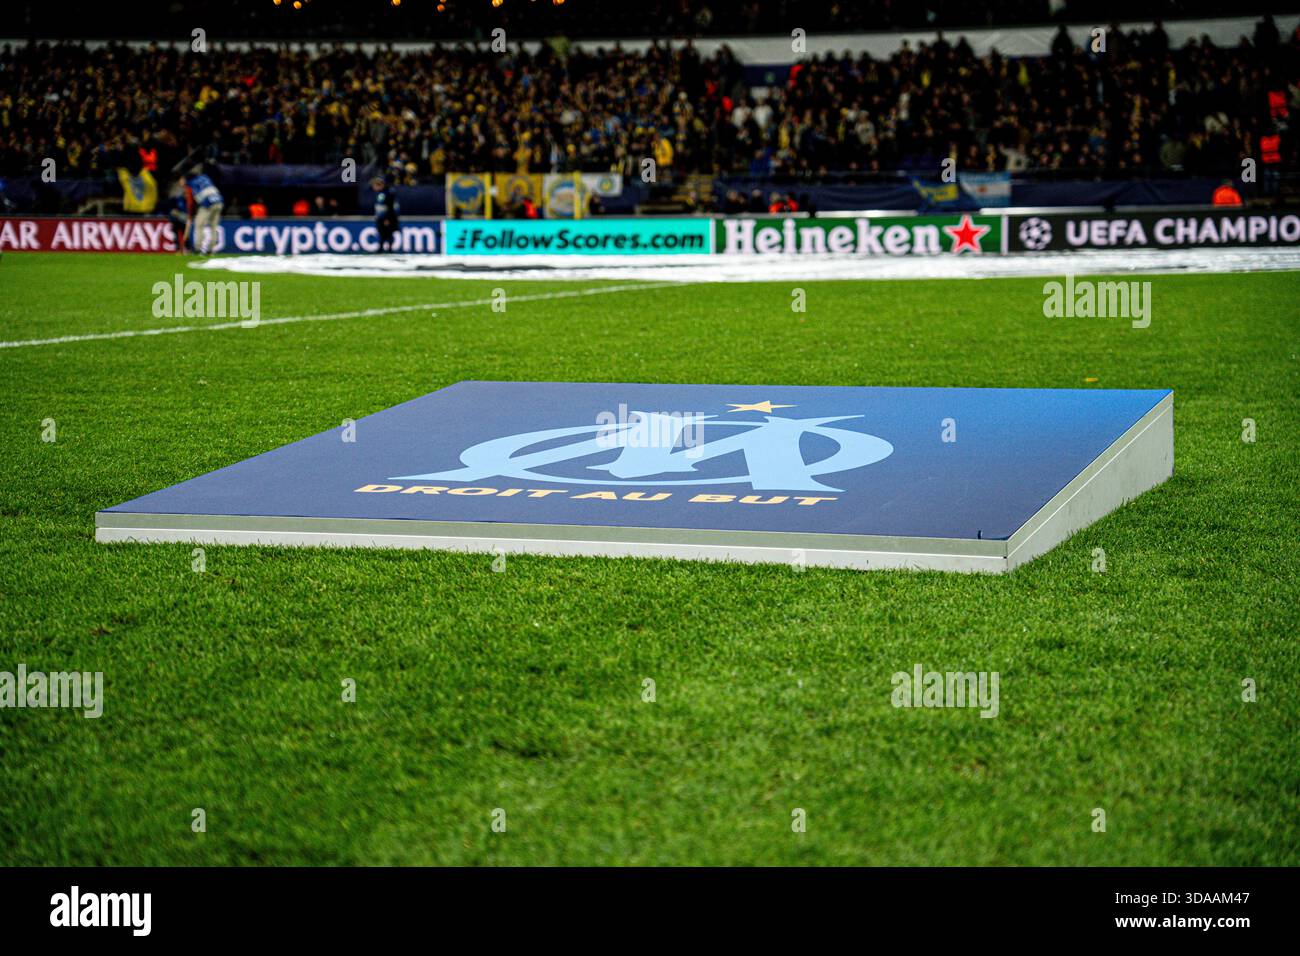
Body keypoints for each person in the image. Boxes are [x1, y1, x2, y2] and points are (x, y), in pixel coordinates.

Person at [184, 166, 224, 254]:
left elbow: (191, 202)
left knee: (199, 225)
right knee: (213, 227)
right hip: (219, 201)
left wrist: (191, 214)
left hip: (208, 203)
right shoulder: (205, 177)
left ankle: (197, 249)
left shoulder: (191, 183)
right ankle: (210, 250)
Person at [371, 177, 400, 252]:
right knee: (382, 233)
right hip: (381, 217)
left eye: (375, 185)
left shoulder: (387, 193)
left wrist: (387, 218)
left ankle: (388, 249)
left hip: (386, 217)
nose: (373, 187)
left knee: (387, 233)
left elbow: (390, 207)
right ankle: (381, 248)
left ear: (380, 185)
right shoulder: (380, 193)